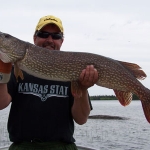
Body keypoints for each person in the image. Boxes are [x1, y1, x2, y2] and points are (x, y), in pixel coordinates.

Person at [0, 15, 98, 150]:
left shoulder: (73, 70)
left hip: (61, 146)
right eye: (43, 34)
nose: (49, 40)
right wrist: (2, 72)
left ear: (61, 41)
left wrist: (82, 88)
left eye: (56, 36)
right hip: (23, 146)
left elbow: (81, 119)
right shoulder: (15, 70)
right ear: (34, 38)